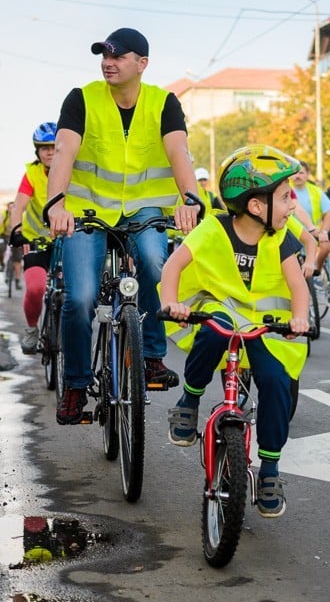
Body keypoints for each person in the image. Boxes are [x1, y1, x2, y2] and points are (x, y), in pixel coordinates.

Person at [47, 27, 201, 425]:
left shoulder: (164, 102)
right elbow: (63, 149)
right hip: (85, 210)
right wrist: (56, 202)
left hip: (146, 209)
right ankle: (77, 384)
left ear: (142, 64)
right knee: (79, 297)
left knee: (153, 261)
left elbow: (178, 150)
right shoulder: (82, 98)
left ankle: (150, 357)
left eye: (117, 56)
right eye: (104, 55)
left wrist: (190, 197)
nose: (107, 63)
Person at [160, 144, 310, 518]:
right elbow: (172, 267)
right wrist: (171, 302)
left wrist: (301, 318)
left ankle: (271, 470)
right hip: (222, 312)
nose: (293, 204)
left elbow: (297, 287)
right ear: (257, 206)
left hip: (267, 328)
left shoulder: (281, 236)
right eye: (285, 196)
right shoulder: (214, 229)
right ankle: (189, 402)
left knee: (276, 382)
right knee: (215, 330)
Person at [9, 123, 58, 353]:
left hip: (67, 239)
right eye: (43, 148)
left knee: (76, 294)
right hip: (36, 239)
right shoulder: (32, 174)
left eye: (53, 146)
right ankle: (31, 329)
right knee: (37, 288)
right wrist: (16, 229)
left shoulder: (75, 170)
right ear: (37, 151)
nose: (49, 152)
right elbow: (19, 205)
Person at [291, 161, 330, 273]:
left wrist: (323, 232)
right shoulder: (286, 188)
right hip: (292, 232)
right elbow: (297, 209)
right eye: (295, 173)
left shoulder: (315, 190)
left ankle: (316, 270)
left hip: (313, 231)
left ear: (308, 174)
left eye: (301, 173)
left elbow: (329, 213)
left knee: (326, 246)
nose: (297, 176)